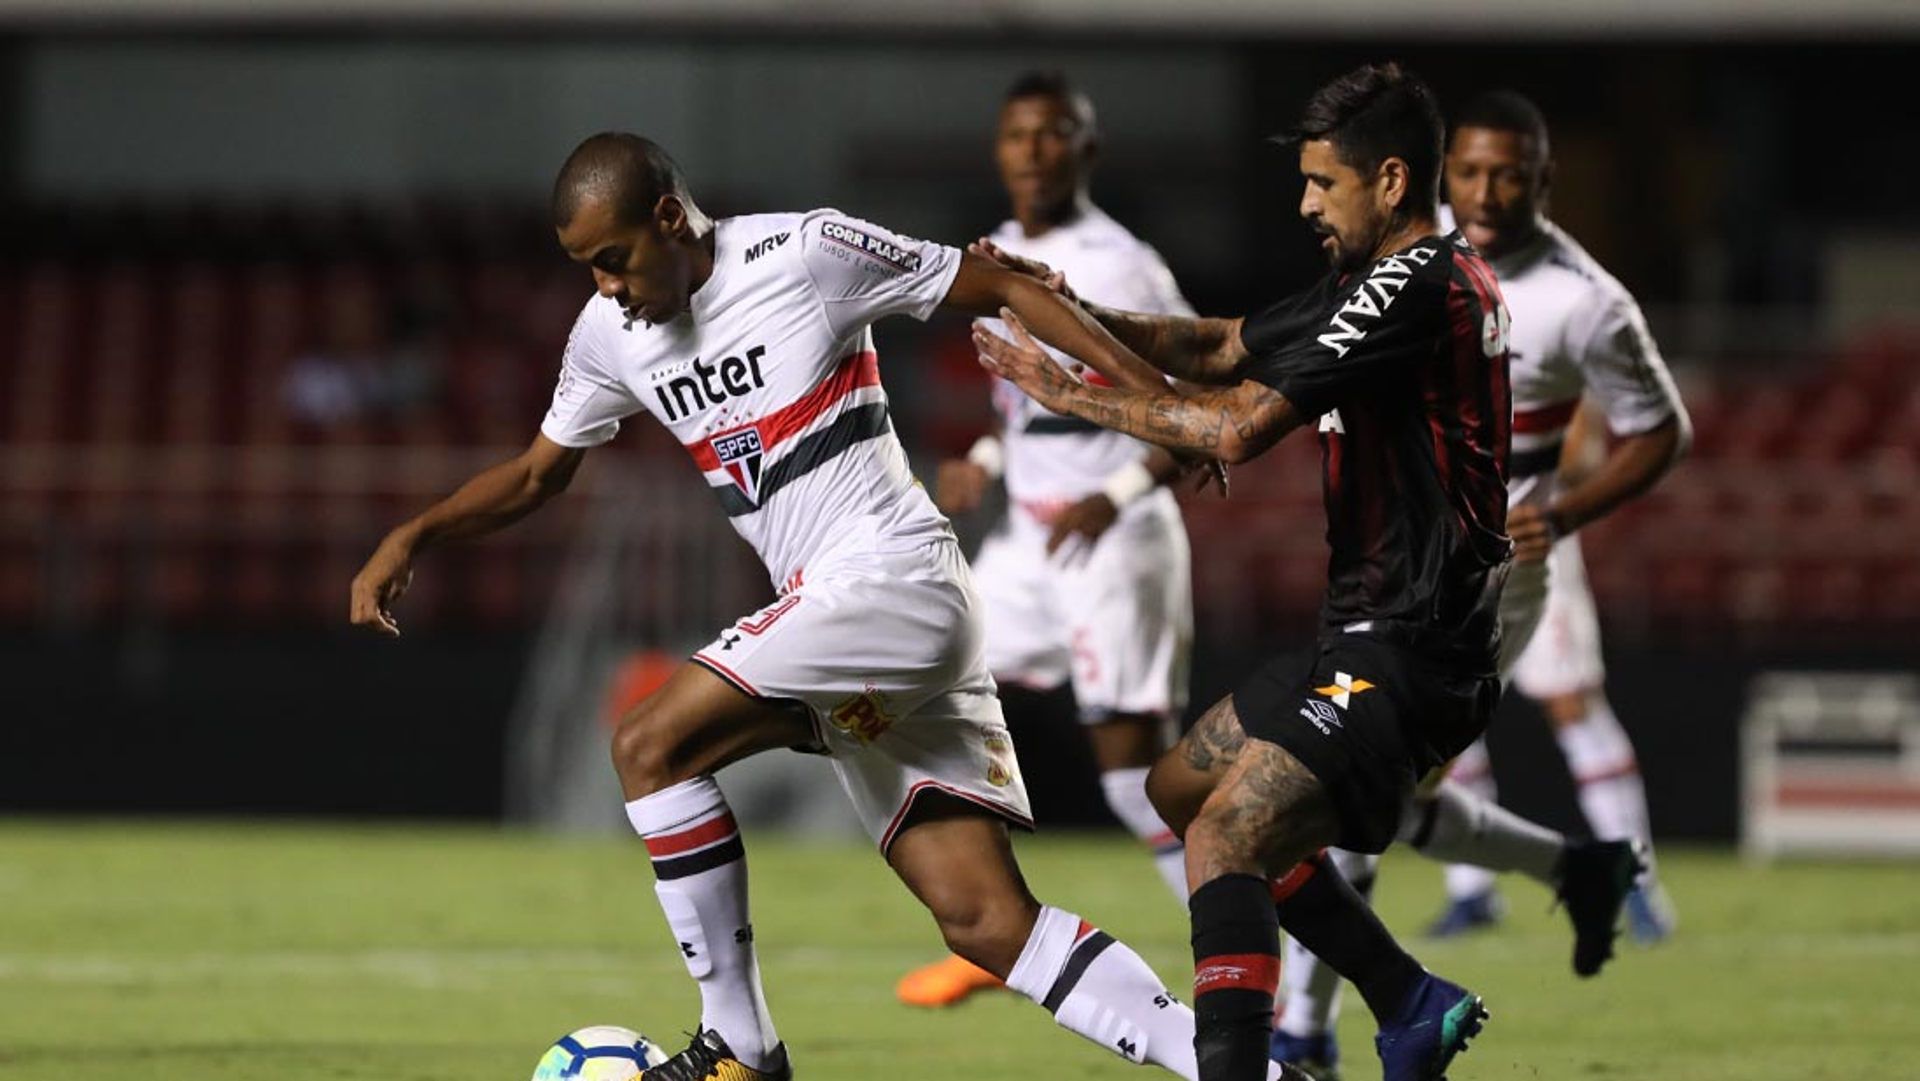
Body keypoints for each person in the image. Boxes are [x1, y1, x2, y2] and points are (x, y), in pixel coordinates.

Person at [350, 132, 1307, 1081]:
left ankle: (740, 1046)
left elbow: (1011, 286)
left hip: (894, 580)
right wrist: (414, 535)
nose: (605, 285)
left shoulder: (805, 252)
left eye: (612, 259)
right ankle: (1247, 1072)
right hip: (859, 626)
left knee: (649, 744)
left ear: (670, 220)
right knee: (985, 921)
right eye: (585, 268)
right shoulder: (609, 336)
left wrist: (1170, 407)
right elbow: (534, 475)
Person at [974, 62, 1558, 1081]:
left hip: (1414, 649)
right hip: (1366, 633)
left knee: (1230, 836)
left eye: (1321, 185)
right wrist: (1067, 308)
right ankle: (1409, 1000)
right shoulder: (1377, 283)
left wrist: (1068, 393)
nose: (1303, 204)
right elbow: (1215, 342)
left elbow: (1237, 428)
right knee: (1177, 785)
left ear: (1387, 180)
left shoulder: (1413, 288)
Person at [1266, 90, 1690, 1080]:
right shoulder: (1410, 256)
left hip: (1486, 580)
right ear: (1442, 174)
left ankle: (1304, 1031)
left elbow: (1662, 430)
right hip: (1386, 557)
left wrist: (1569, 511)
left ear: (1545, 178)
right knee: (1383, 790)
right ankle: (1577, 867)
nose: (1488, 192)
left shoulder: (1587, 301)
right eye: (1471, 172)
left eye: (1511, 174)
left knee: (1347, 786)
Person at [897, 70, 1200, 1009]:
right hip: (1027, 545)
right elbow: (1024, 411)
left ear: (1084, 149)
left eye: (1052, 134)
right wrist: (985, 456)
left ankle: (1276, 937)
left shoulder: (1124, 265)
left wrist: (1111, 495)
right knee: (933, 701)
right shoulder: (995, 266)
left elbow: (1187, 418)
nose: (1031, 150)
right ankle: (999, 928)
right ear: (1000, 149)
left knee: (1136, 782)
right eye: (1017, 135)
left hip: (1115, 540)